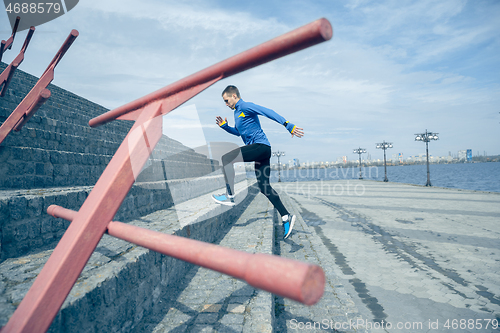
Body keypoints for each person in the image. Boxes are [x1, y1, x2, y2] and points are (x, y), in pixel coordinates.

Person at [212, 85, 304, 239]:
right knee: (264, 187)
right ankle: (286, 216)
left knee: (226, 159)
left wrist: (288, 125)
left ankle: (229, 195)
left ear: (234, 96)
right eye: (224, 102)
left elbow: (268, 112)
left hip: (261, 147)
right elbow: (238, 132)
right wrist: (225, 127)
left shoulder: (246, 106)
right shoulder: (237, 113)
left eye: (227, 101)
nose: (226, 104)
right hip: (261, 151)